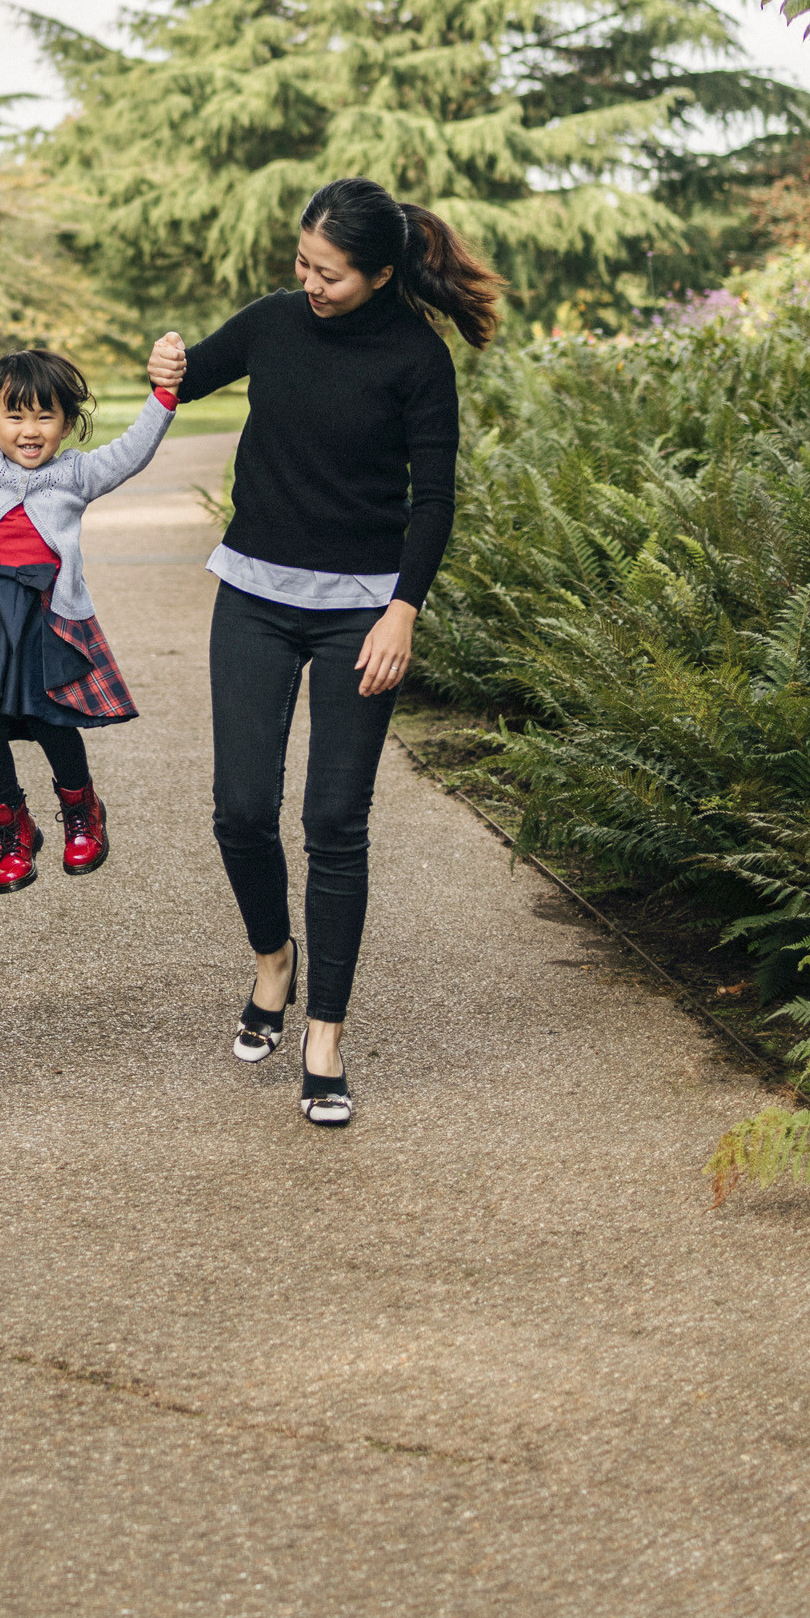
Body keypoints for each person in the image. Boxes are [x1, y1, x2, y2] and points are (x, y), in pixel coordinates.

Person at [152, 178, 503, 1128]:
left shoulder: (416, 361)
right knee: (239, 807)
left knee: (335, 823)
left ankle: (325, 1037)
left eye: (330, 273)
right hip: (256, 597)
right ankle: (275, 962)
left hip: (360, 612)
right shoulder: (275, 322)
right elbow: (180, 381)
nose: (309, 282)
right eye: (302, 263)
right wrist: (167, 357)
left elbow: (433, 499)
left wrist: (404, 610)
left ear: (383, 274)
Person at [0, 335, 177, 888]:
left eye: (46, 417)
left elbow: (132, 450)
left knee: (51, 717)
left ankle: (82, 810)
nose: (30, 430)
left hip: (45, 613)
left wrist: (163, 397)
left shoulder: (75, 475)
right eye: (15, 416)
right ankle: (11, 824)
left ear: (67, 425)